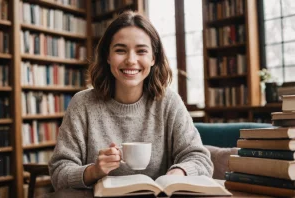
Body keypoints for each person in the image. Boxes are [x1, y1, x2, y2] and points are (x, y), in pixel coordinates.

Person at [49, 11, 213, 190]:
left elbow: (200, 159)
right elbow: (58, 172)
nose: (131, 60)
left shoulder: (169, 102)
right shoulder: (82, 104)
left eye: (141, 51)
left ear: (153, 58)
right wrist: (94, 171)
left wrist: (176, 175)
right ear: (108, 56)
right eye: (120, 50)